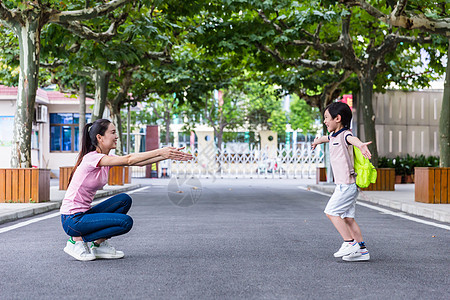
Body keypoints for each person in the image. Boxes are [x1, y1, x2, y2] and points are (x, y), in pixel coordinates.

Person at [60, 119, 192, 261]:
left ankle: (98, 245)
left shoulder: (105, 158)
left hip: (83, 215)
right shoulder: (92, 158)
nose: (116, 136)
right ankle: (76, 241)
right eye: (113, 132)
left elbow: (137, 162)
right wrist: (160, 150)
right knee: (125, 222)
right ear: (100, 137)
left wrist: (165, 155)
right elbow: (129, 159)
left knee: (123, 200)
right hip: (72, 219)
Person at [311, 102, 372, 262]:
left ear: (338, 118)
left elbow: (353, 139)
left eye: (326, 118)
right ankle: (362, 251)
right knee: (348, 219)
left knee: (331, 212)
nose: (325, 121)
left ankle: (350, 243)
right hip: (344, 185)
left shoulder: (345, 135)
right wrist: (317, 141)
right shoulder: (333, 136)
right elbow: (326, 138)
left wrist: (361, 145)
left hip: (347, 185)